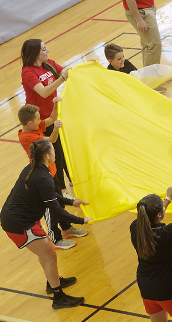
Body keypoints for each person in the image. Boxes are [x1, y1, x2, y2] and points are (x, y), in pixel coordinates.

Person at [0, 139, 92, 309]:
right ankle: (59, 298)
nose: (55, 153)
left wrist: (72, 202)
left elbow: (50, 195)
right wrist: (82, 220)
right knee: (49, 254)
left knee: (46, 254)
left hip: (21, 218)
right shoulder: (43, 176)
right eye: (53, 151)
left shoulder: (33, 169)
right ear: (47, 155)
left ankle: (53, 283)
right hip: (19, 223)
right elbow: (56, 210)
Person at [18, 100, 87, 249]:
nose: (40, 120)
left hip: (51, 171)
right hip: (43, 177)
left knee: (60, 202)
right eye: (37, 119)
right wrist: (55, 128)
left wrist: (55, 105)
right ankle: (55, 238)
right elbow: (51, 140)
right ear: (30, 123)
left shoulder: (33, 127)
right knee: (50, 207)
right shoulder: (27, 137)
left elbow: (51, 119)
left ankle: (67, 228)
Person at [131, 187, 172, 322]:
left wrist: (168, 198)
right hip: (169, 290)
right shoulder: (168, 233)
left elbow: (153, 214)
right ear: (159, 215)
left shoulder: (135, 227)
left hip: (146, 287)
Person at [20, 39, 72, 196]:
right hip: (41, 121)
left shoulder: (48, 64)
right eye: (44, 49)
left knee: (64, 151)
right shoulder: (28, 72)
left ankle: (72, 182)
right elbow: (43, 92)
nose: (47, 51)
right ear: (36, 53)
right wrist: (62, 78)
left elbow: (67, 70)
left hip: (54, 113)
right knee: (55, 156)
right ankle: (62, 190)